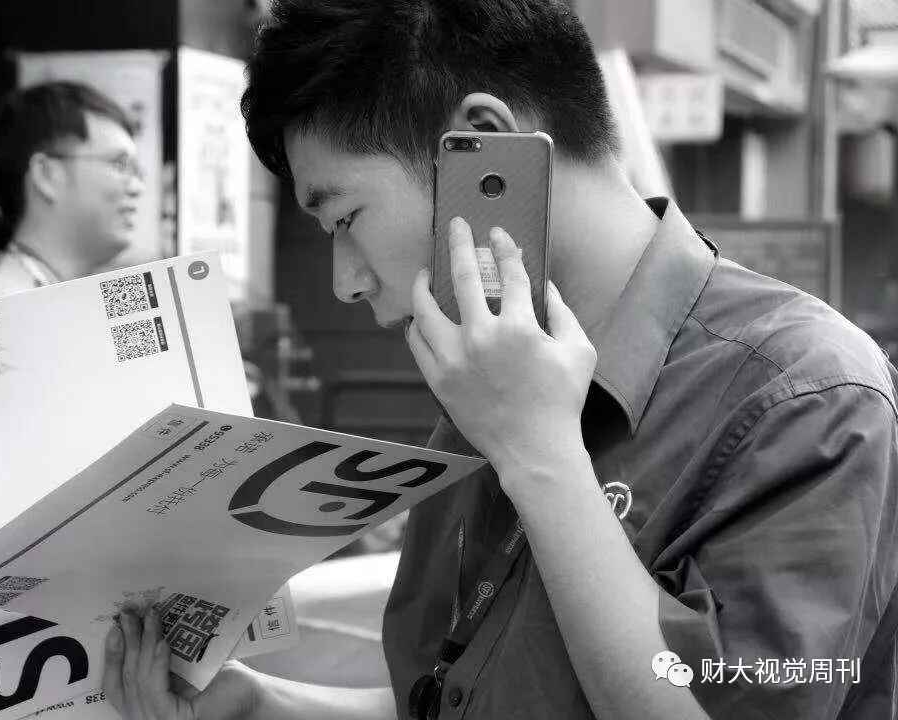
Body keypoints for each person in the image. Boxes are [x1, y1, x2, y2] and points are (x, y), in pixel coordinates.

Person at [102, 1, 898, 719]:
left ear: (484, 145)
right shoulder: (492, 381)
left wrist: (540, 455)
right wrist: (261, 708)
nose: (346, 282)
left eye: (344, 217)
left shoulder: (809, 394)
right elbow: (468, 692)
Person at [0, 81, 144, 304]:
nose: (138, 188)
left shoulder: (34, 296)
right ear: (46, 174)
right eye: (119, 164)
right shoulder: (5, 308)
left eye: (136, 170)